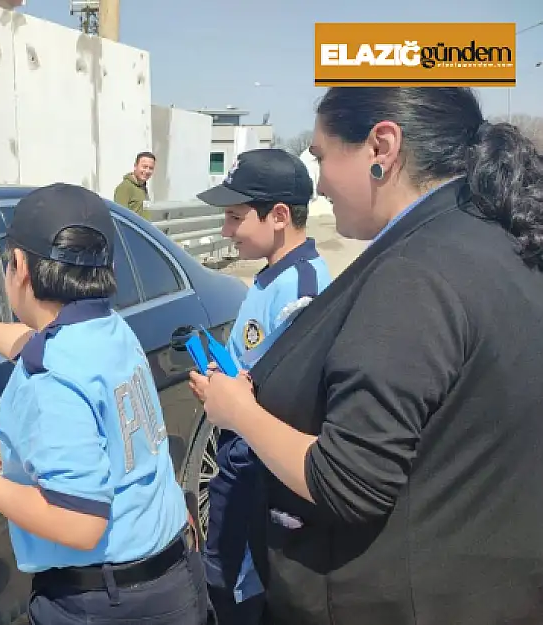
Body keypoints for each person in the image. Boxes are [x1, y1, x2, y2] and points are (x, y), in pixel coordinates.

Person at [189, 87, 543, 625]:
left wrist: (238, 412)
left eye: (324, 156)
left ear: (382, 147)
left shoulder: (416, 275)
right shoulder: (493, 237)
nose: (321, 181)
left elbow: (347, 481)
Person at [0, 182, 213, 625]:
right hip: (170, 578)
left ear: (19, 267)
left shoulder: (51, 380)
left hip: (106, 604)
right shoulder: (109, 329)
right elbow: (37, 343)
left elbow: (78, 523)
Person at [192, 148, 332, 625]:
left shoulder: (302, 290)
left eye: (234, 217)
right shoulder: (273, 278)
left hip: (260, 471)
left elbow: (299, 402)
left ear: (277, 216)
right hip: (242, 455)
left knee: (239, 589)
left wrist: (235, 403)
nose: (226, 230)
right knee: (223, 575)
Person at [113, 151, 156, 216]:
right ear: (135, 166)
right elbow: (120, 217)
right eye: (144, 167)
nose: (147, 171)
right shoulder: (124, 187)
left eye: (151, 168)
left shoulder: (143, 187)